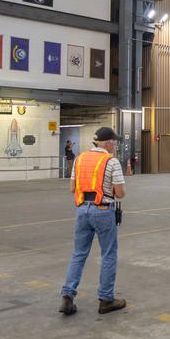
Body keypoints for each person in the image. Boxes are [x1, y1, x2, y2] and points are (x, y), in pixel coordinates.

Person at [59, 126, 127, 316]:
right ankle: (106, 299)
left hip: (82, 210)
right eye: (114, 141)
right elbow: (120, 193)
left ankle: (67, 296)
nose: (115, 144)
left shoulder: (80, 159)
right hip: (103, 211)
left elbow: (73, 188)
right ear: (108, 143)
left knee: (79, 254)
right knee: (109, 254)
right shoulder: (111, 162)